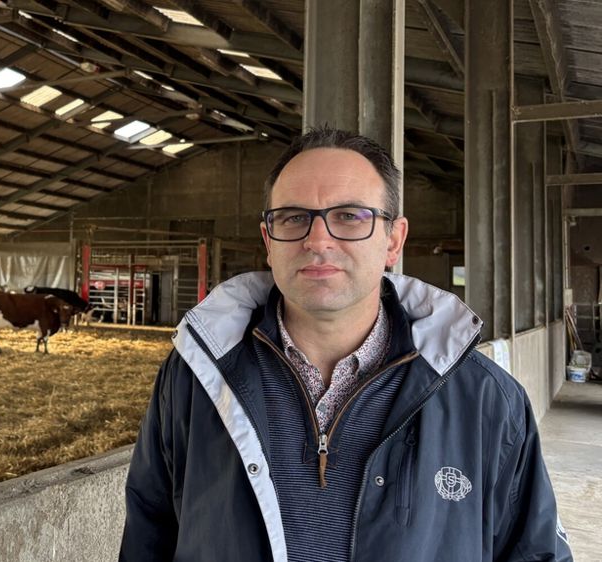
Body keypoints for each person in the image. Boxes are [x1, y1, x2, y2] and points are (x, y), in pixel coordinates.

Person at [119, 127, 572, 562]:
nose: (318, 240)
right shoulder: (194, 378)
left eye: (350, 217)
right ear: (268, 240)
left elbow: (536, 551)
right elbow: (148, 533)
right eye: (294, 218)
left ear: (393, 240)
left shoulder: (485, 398)